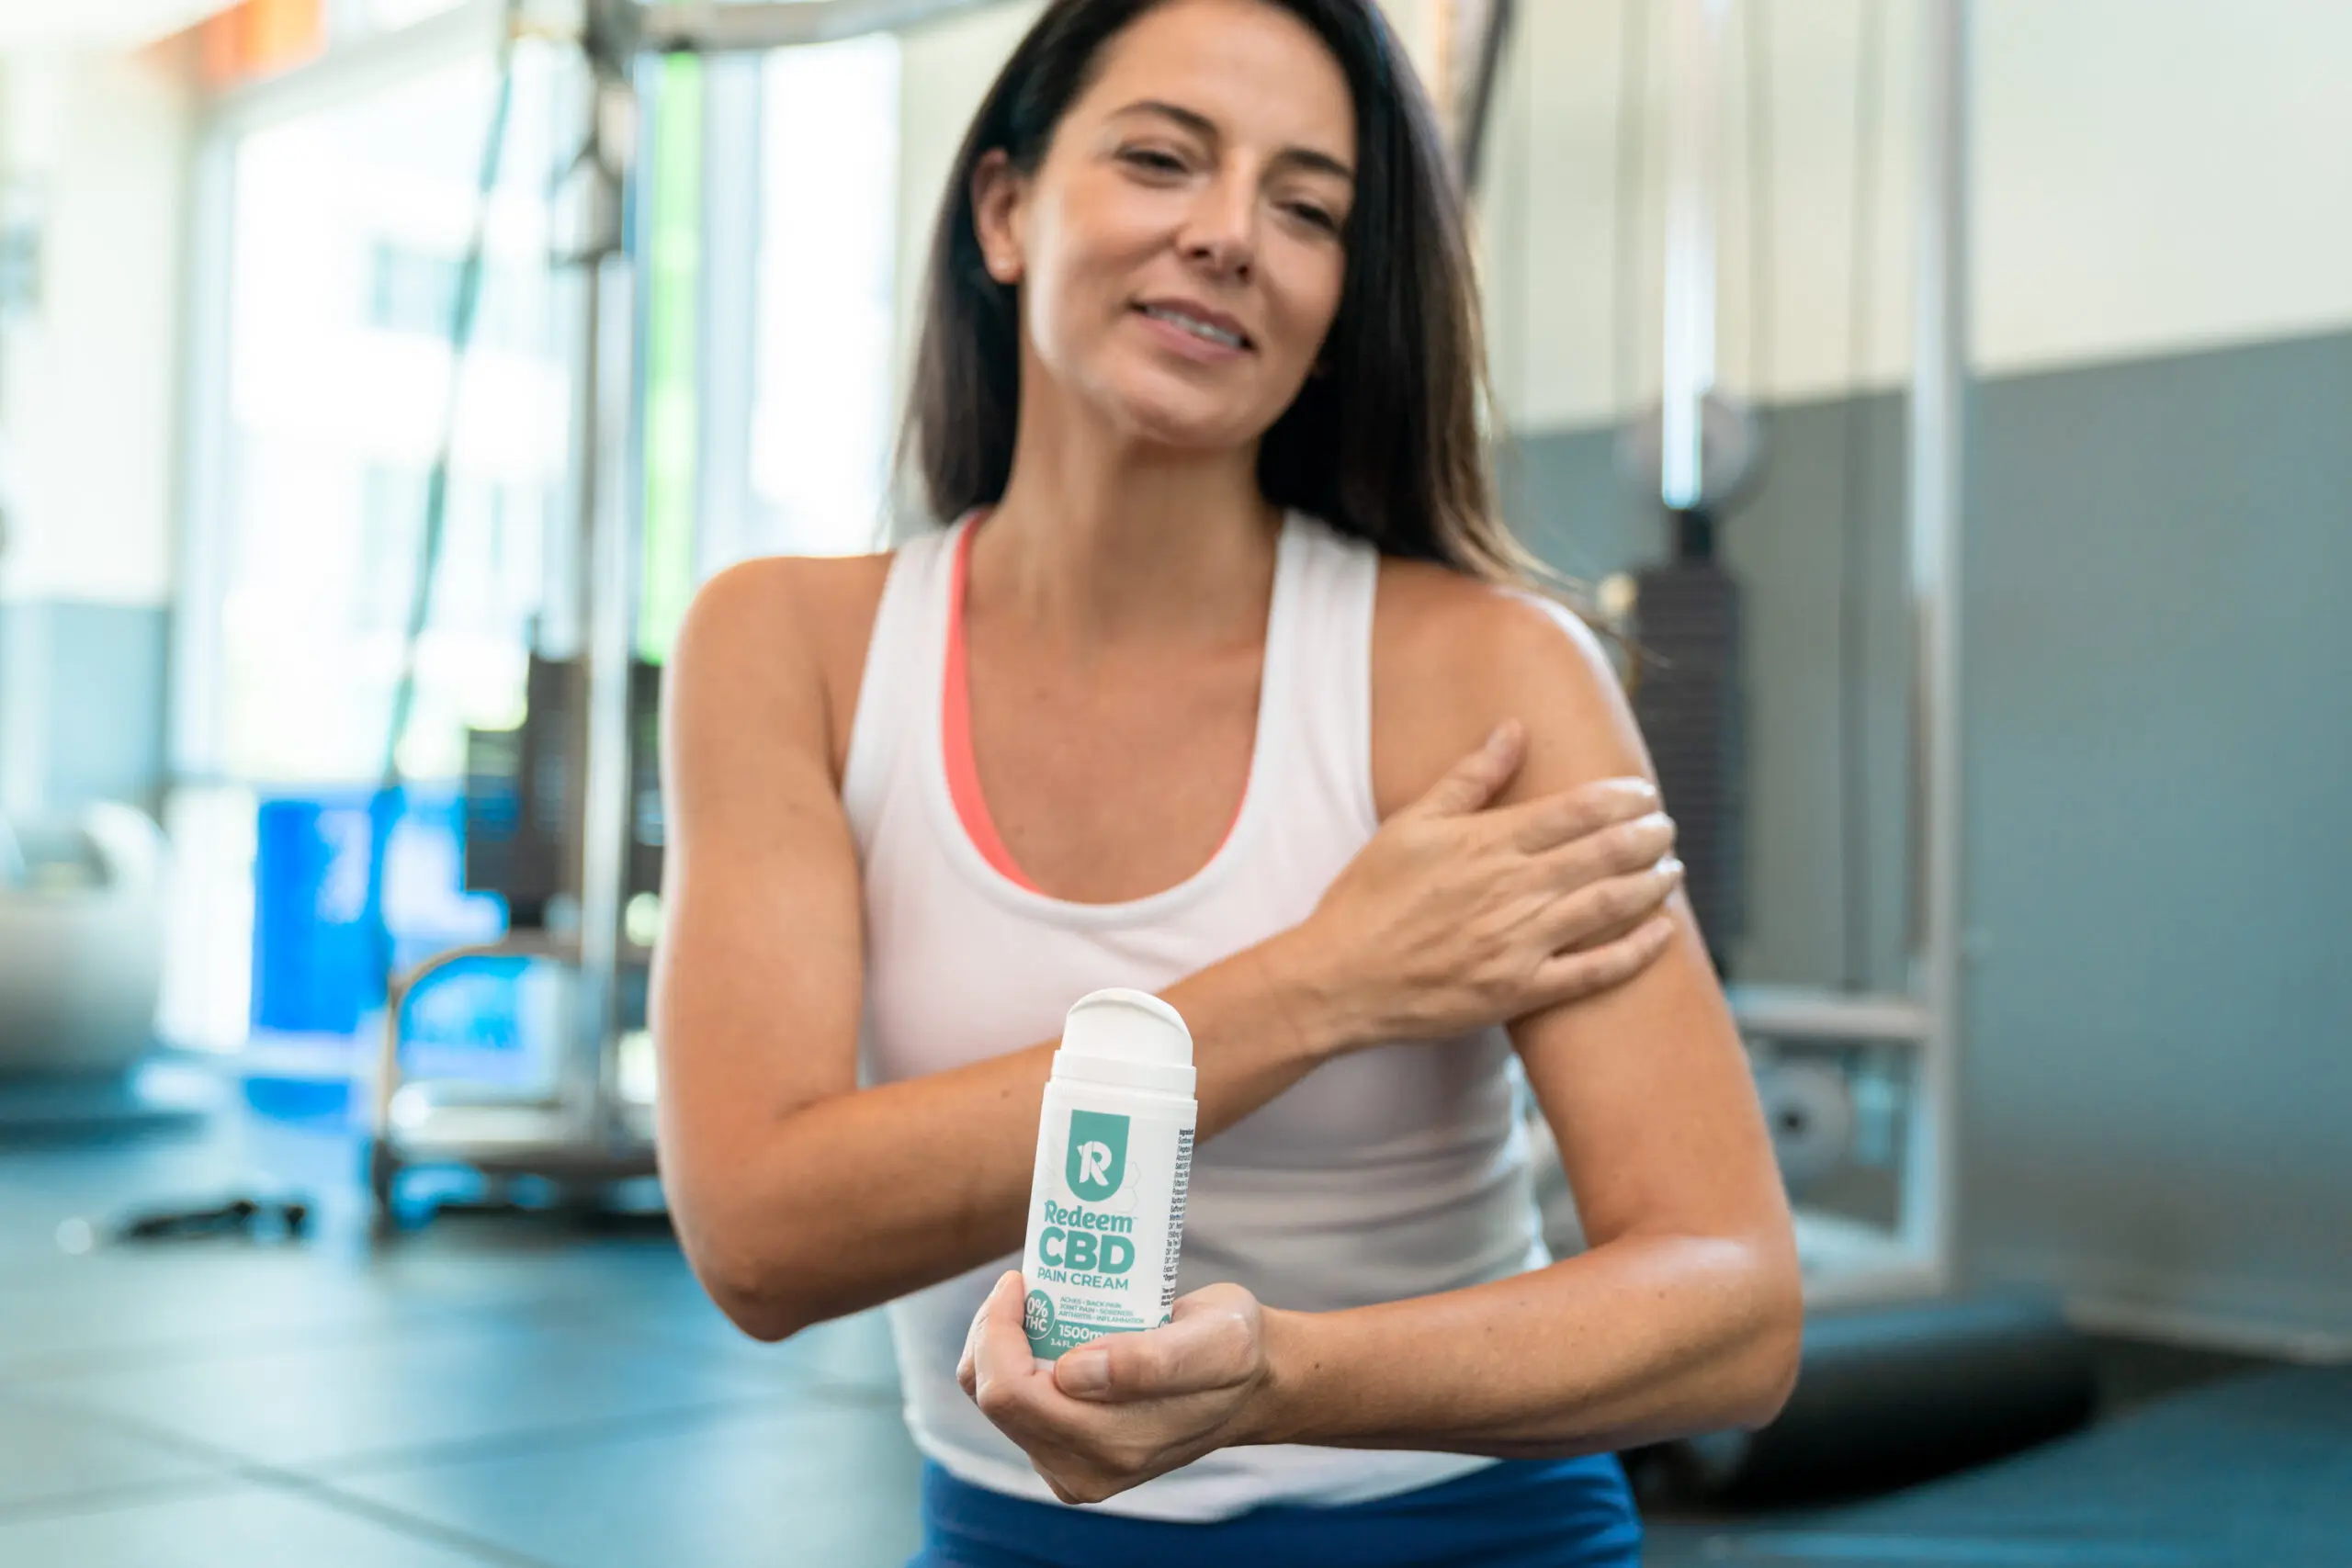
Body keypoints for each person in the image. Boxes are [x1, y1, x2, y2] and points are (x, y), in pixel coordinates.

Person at [652, 0, 1800, 1561]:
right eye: (1160, 158)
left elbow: (1732, 1299)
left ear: (1339, 297)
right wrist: (1327, 983)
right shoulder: (788, 643)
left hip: (1468, 1530)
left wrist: (1284, 1377)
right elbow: (760, 1234)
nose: (1229, 233)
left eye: (1307, 206)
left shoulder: (1490, 676)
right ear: (1005, 209)